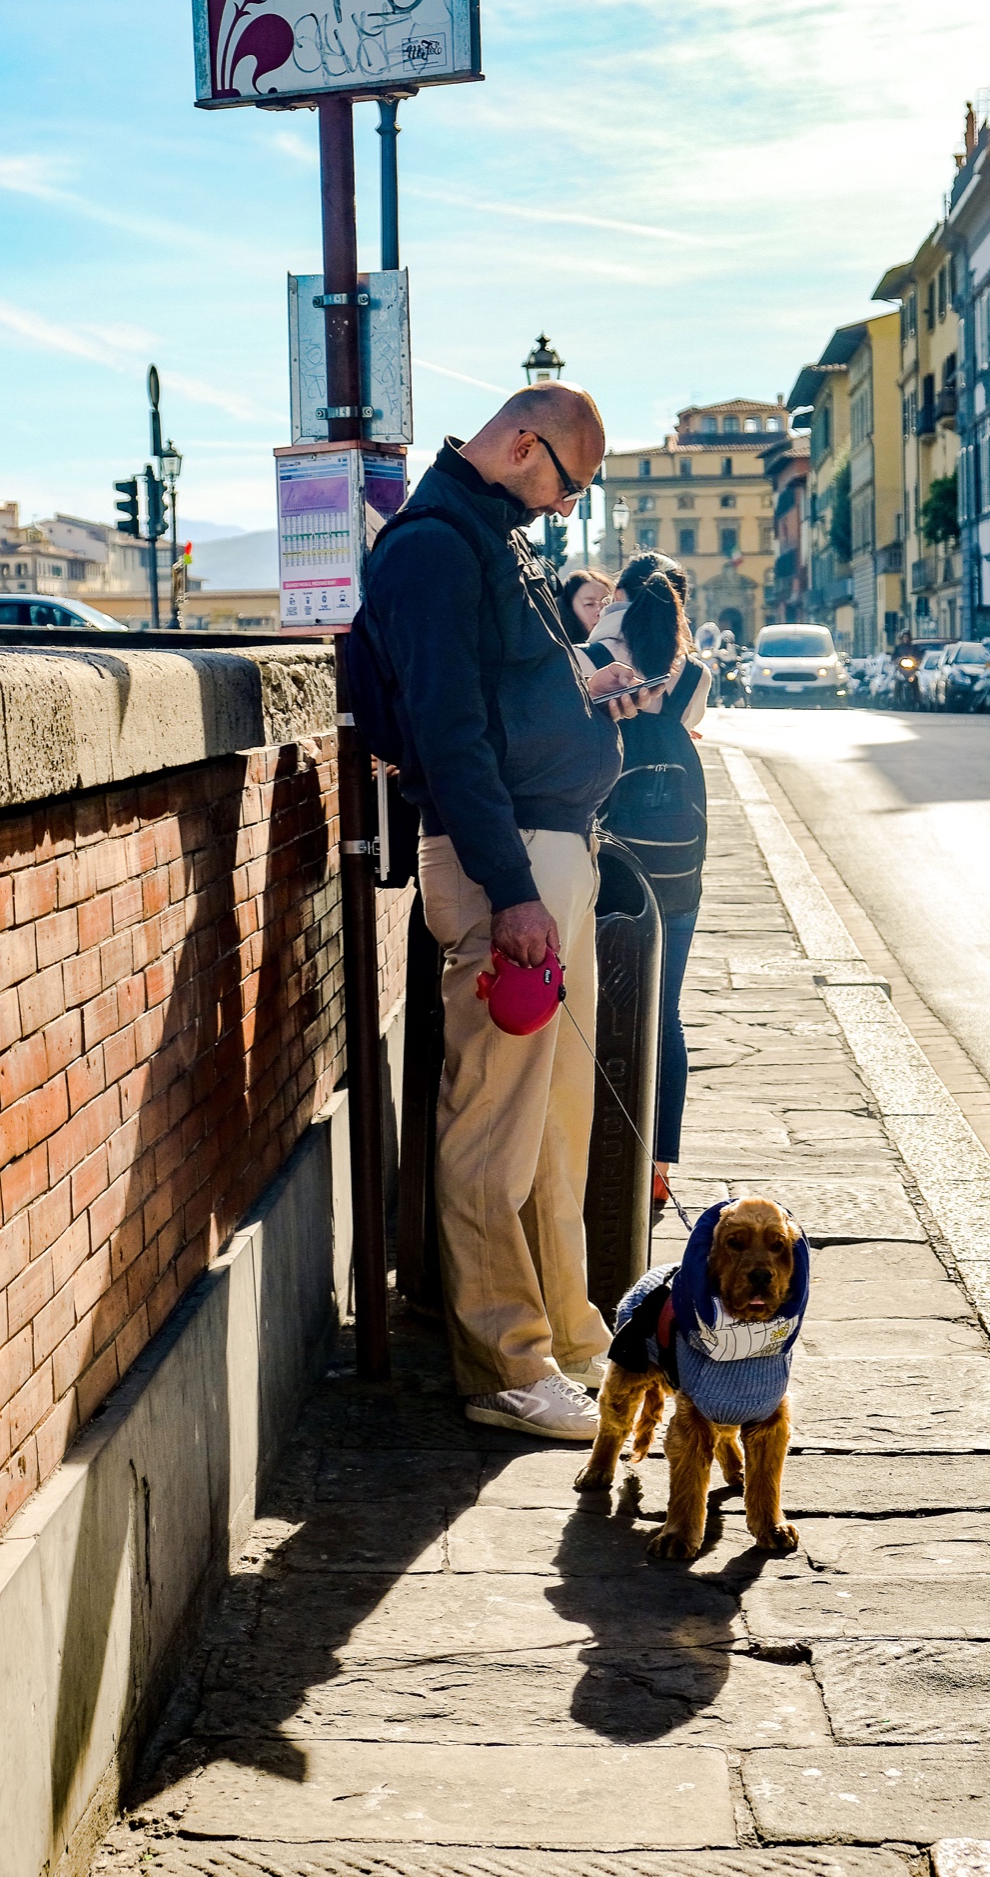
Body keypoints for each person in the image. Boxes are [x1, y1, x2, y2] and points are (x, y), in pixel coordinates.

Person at [359, 383, 660, 1441]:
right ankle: (503, 1365)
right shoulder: (437, 546)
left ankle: (569, 1335)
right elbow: (448, 732)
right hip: (509, 867)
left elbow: (502, 695)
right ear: (524, 442)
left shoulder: (489, 535)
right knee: (493, 1129)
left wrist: (587, 682)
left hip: (545, 850)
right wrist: (514, 889)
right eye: (565, 486)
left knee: (554, 1128)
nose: (564, 510)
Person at [583, 552, 711, 1208]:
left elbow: (580, 713)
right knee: (664, 1015)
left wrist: (608, 622)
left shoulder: (602, 655)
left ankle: (597, 1143)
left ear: (623, 598)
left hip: (614, 864)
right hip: (679, 869)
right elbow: (683, 728)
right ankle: (658, 1167)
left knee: (599, 1004)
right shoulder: (694, 674)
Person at [559, 566, 615, 645]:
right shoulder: (559, 652)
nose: (601, 611)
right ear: (570, 609)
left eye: (607, 603)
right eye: (589, 604)